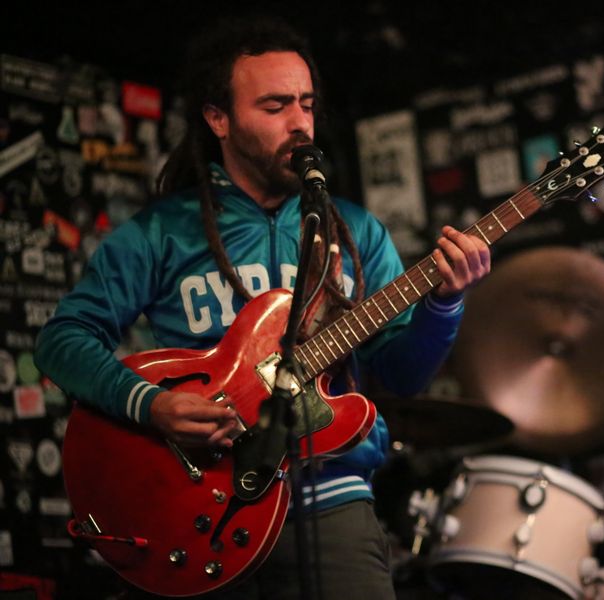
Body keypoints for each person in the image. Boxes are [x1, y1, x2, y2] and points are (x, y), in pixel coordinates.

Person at [34, 16, 490, 600]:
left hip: (331, 504)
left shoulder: (356, 232)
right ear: (218, 118)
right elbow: (62, 340)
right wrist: (151, 404)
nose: (300, 122)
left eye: (306, 104)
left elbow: (401, 376)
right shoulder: (162, 232)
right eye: (274, 106)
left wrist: (444, 302)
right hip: (198, 508)